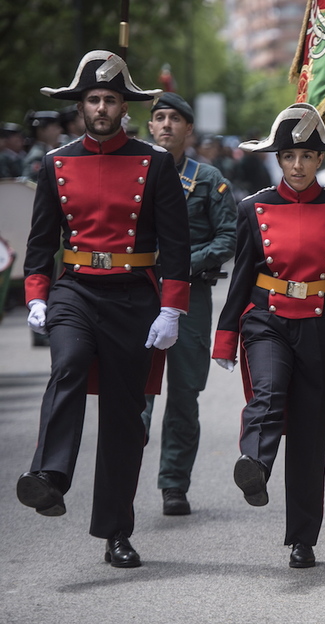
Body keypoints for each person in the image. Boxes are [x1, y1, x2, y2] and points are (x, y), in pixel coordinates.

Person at [15, 50, 190, 568]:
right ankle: (49, 477)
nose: (101, 107)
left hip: (135, 293)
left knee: (123, 416)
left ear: (123, 107)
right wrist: (37, 295)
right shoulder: (56, 162)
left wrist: (172, 309)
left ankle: (116, 532)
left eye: (110, 99)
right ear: (81, 106)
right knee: (67, 364)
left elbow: (176, 245)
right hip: (77, 289)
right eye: (93, 98)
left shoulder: (154, 162)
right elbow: (41, 239)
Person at [211, 103, 325, 568]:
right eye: (289, 156)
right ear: (278, 159)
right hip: (266, 318)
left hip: (321, 324)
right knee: (267, 392)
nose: (298, 165)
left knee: (309, 437)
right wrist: (225, 335)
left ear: (320, 159)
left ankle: (303, 539)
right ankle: (256, 464)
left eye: (307, 156)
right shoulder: (254, 207)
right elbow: (242, 275)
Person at [139, 92, 236, 515]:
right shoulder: (135, 172)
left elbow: (228, 238)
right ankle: (121, 471)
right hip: (137, 293)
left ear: (188, 129)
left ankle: (173, 484)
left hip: (189, 296)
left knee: (183, 394)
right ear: (149, 126)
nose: (165, 125)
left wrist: (180, 263)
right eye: (158, 118)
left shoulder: (207, 178)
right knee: (133, 393)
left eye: (174, 119)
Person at [21, 111, 62, 181]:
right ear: (42, 130)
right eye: (55, 127)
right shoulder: (37, 156)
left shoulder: (45, 151)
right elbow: (30, 183)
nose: (60, 131)